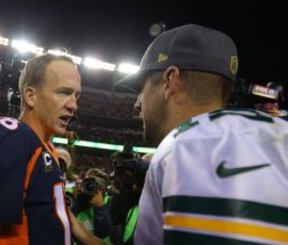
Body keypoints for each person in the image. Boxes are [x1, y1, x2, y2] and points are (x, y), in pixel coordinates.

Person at [116, 24, 288, 244]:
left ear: (170, 80)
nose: (136, 103)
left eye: (142, 88)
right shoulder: (275, 131)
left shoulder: (185, 146)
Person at [0, 53, 103, 245]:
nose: (74, 105)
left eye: (77, 95)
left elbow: (54, 207)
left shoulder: (45, 147)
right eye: (64, 92)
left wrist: (90, 239)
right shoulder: (10, 137)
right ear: (31, 96)